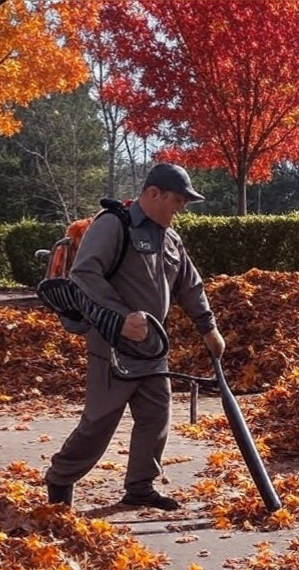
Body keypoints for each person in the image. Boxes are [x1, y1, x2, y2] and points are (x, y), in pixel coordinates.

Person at [44, 163, 225, 510]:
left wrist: (209, 327)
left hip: (153, 349)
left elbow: (191, 285)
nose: (181, 208)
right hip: (113, 344)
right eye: (178, 200)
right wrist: (120, 316)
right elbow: (85, 274)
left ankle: (140, 487)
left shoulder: (170, 238)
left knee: (156, 417)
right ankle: (60, 480)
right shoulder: (114, 225)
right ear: (153, 193)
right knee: (100, 422)